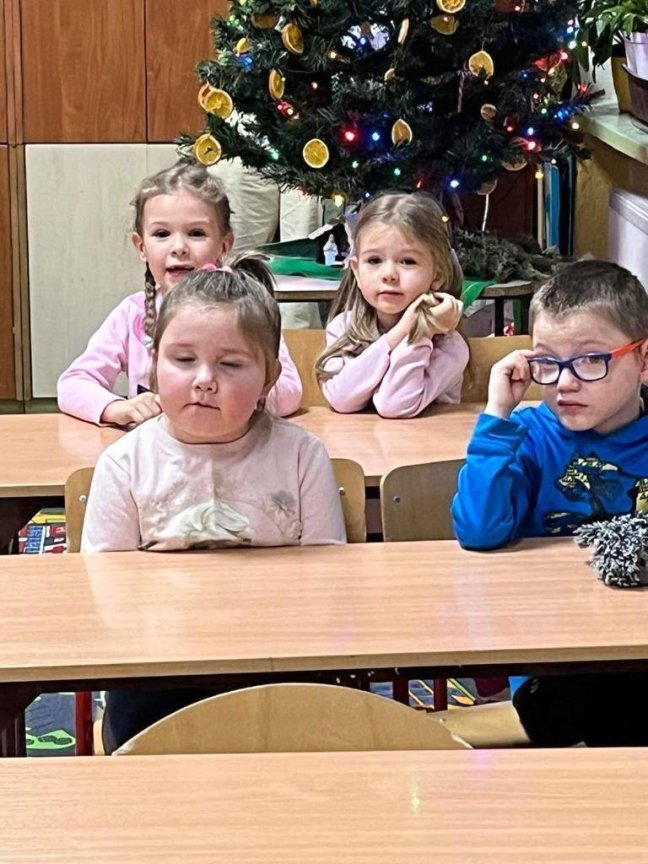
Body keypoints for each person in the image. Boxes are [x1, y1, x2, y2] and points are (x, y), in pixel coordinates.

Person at [81, 255, 346, 752]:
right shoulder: (124, 464)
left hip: (280, 658)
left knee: (320, 747)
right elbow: (107, 589)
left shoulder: (301, 456)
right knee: (149, 758)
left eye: (231, 364)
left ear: (270, 377)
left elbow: (327, 578)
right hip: (161, 665)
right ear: (153, 364)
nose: (205, 379)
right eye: (183, 360)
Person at [452, 259, 648, 746]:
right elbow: (479, 531)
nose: (563, 383)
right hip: (555, 659)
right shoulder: (529, 435)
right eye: (547, 362)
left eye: (590, 360)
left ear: (643, 359)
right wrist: (498, 415)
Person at [57, 161, 302, 426]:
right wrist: (116, 408)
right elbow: (74, 383)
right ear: (141, 247)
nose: (179, 247)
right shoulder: (132, 314)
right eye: (162, 233)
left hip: (231, 445)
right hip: (158, 449)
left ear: (224, 245)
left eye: (196, 233)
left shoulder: (247, 310)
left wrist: (238, 390)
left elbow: (289, 391)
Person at [315, 191, 468, 418]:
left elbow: (394, 404)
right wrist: (398, 334)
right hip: (359, 441)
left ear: (437, 275)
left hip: (425, 441)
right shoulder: (344, 328)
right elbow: (341, 399)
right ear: (356, 271)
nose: (389, 274)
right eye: (374, 260)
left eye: (408, 261)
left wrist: (421, 333)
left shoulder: (449, 346)